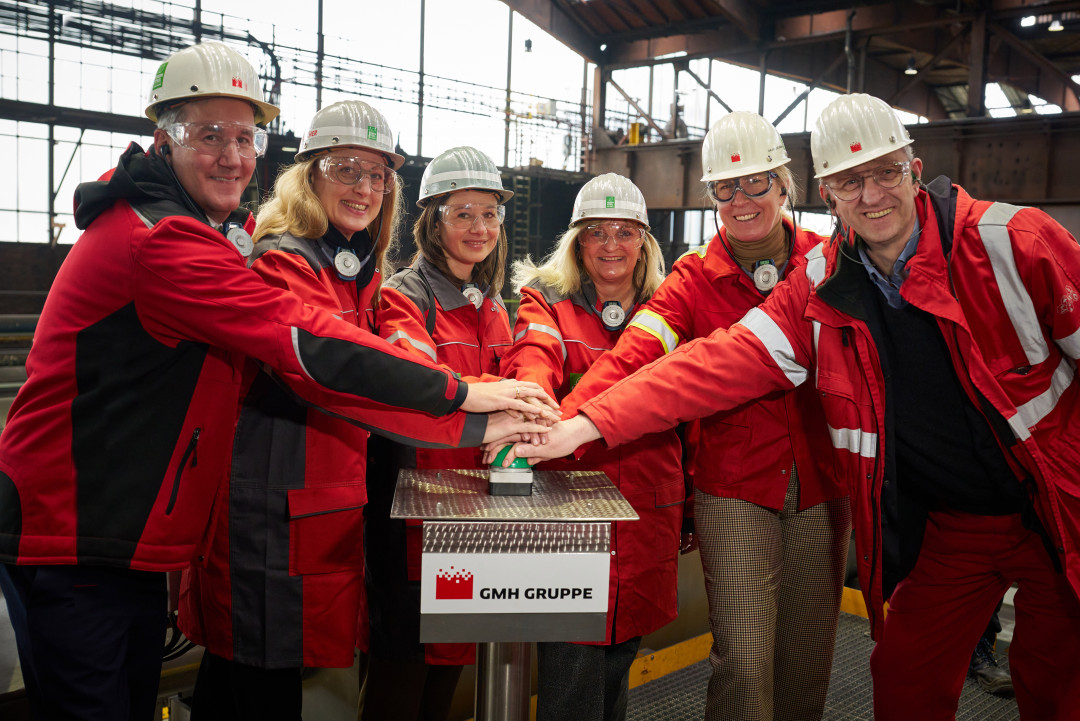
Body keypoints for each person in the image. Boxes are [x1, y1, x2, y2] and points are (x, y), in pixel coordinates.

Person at [0, 43, 553, 721]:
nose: (232, 155)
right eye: (209, 136)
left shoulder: (229, 240)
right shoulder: (171, 243)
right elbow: (309, 349)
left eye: (244, 136)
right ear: (164, 138)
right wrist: (466, 399)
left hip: (134, 535)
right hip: (83, 533)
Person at [507, 92, 1080, 721]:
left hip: (1033, 505)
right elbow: (683, 362)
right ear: (828, 191)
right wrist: (576, 421)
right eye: (848, 182)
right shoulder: (801, 280)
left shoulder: (1000, 245)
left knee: (1046, 678)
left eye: (885, 172)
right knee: (814, 669)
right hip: (853, 507)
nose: (870, 195)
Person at [177, 99, 473, 721]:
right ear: (308, 173)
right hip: (270, 509)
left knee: (241, 680)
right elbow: (331, 365)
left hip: (318, 506)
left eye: (377, 174)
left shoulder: (357, 265)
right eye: (345, 168)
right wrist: (467, 402)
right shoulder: (285, 258)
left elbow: (392, 345)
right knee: (260, 681)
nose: (363, 187)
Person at [560, 115, 850, 721]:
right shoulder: (693, 279)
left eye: (756, 184)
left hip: (821, 486)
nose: (741, 201)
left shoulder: (829, 265)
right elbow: (633, 356)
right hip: (734, 488)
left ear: (784, 184)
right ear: (711, 195)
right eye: (726, 188)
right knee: (744, 660)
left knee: (806, 657)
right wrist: (565, 422)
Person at [498, 173, 684, 721]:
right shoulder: (547, 302)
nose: (610, 245)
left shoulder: (669, 309)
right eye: (596, 232)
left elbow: (692, 416)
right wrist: (536, 404)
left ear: (644, 243)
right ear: (577, 241)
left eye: (625, 232)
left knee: (617, 666)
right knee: (570, 672)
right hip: (570, 515)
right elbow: (534, 354)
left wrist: (691, 504)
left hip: (646, 511)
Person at [361, 146, 517, 721]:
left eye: (489, 214)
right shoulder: (406, 294)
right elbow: (422, 380)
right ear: (433, 221)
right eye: (462, 213)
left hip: (473, 517)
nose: (479, 228)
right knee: (400, 675)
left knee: (449, 667)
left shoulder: (493, 306)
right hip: (413, 523)